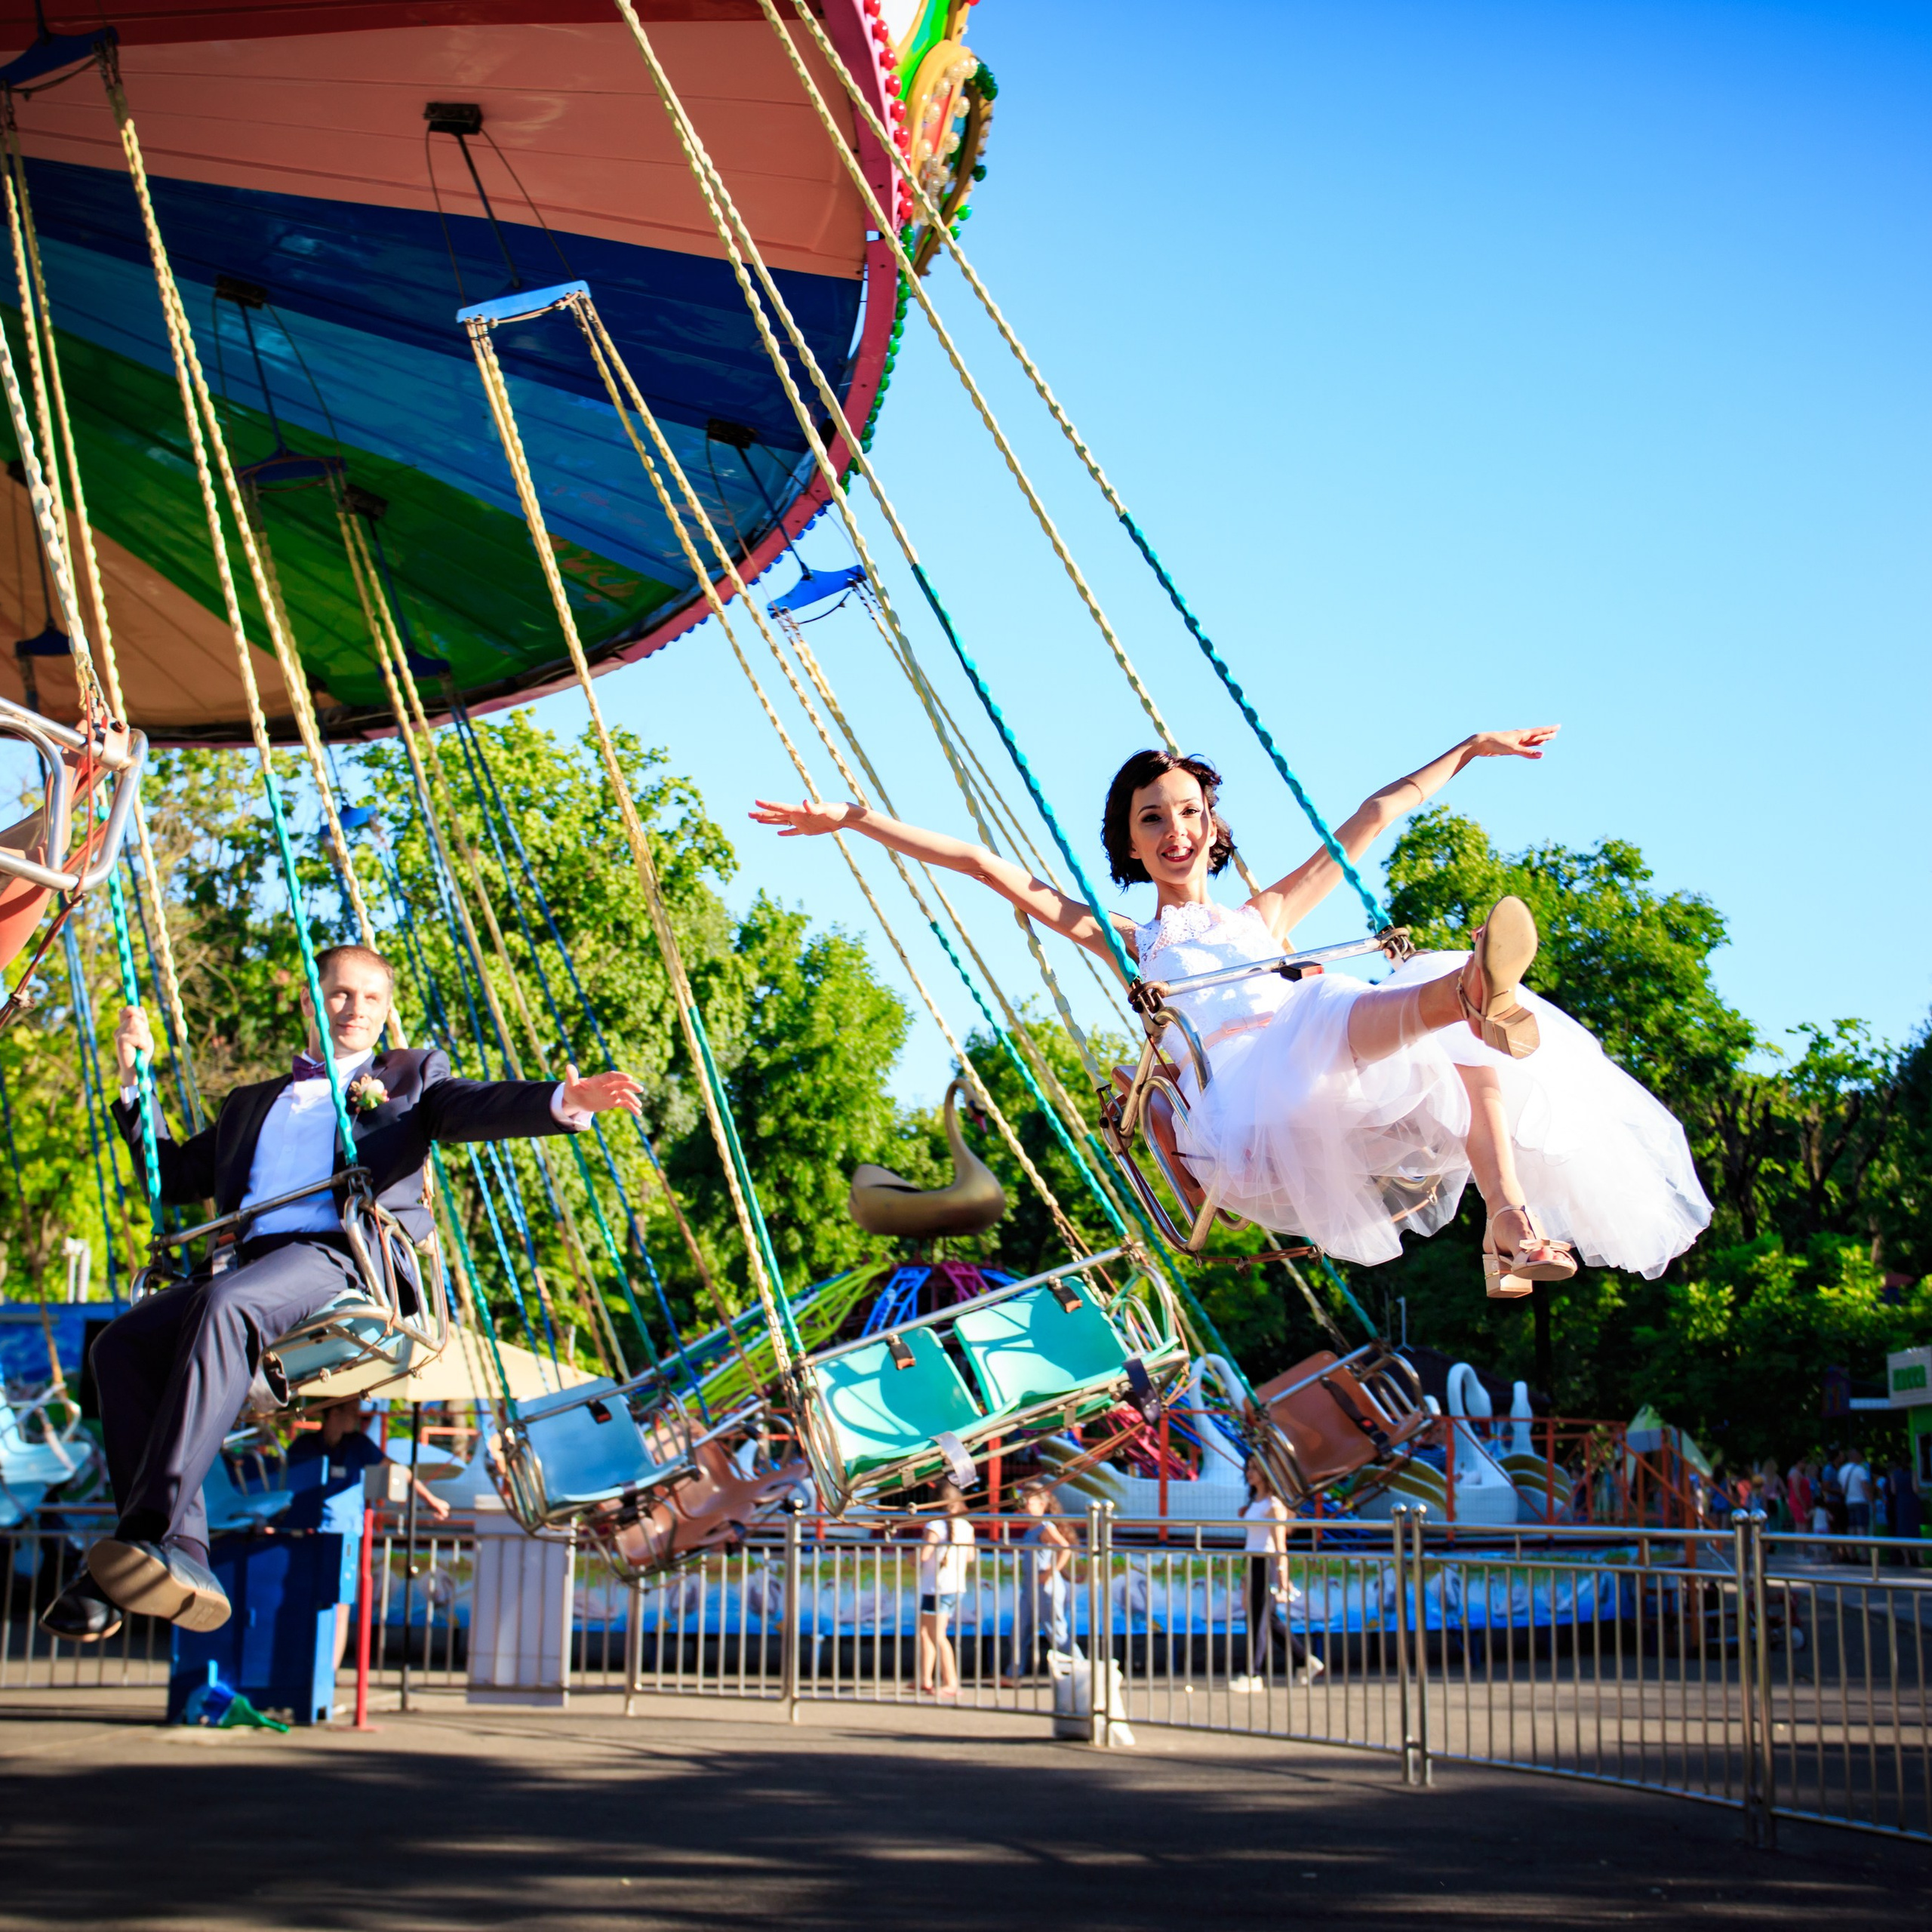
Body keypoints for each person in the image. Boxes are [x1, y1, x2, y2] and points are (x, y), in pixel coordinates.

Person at [752, 729, 1711, 1294]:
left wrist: (1468, 749)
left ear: (1212, 826)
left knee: (1465, 1046)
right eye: (1151, 819)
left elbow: (1372, 816)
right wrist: (855, 818)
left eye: (1186, 812)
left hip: (1313, 1055)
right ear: (1130, 844)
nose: (1174, 831)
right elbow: (983, 867)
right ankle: (1466, 993)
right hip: (1242, 1103)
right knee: (1362, 1010)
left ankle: (1510, 1220)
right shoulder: (1134, 939)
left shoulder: (1267, 914)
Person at [38, 942, 642, 1643]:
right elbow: (171, 1179)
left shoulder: (411, 1076)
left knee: (224, 1306)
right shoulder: (248, 1104)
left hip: (340, 1255)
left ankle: (150, 1537)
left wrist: (565, 1099)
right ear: (308, 1002)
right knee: (121, 1347)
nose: (355, 1009)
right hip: (246, 1265)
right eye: (339, 995)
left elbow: (469, 1108)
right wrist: (133, 1079)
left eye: (371, 998)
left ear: (387, 1013)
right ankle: (175, 1549)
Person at [286, 1397, 451, 1666]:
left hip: (343, 1537)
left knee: (338, 1605)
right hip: (306, 1534)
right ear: (334, 1412)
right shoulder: (305, 1445)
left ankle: (329, 1673)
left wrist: (429, 1499)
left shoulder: (358, 1445)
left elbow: (399, 1471)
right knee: (303, 1600)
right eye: (351, 1411)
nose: (357, 1416)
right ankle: (301, 1669)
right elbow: (284, 1481)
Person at [1230, 1460, 1321, 1692]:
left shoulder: (1274, 1504)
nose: (1249, 1473)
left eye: (1255, 1468)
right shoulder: (1255, 1502)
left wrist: (1282, 1574)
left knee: (1259, 1618)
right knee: (1266, 1618)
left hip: (1266, 1561)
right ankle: (1303, 1660)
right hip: (1253, 1560)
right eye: (1248, 1468)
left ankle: (1253, 1673)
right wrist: (1244, 1577)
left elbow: (1280, 1543)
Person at [1000, 1480, 1077, 1684]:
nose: (1024, 1506)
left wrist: (1051, 1572)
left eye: (1028, 1502)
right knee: (1019, 1630)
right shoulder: (1031, 1529)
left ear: (1042, 1505)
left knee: (1056, 1632)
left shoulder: (1045, 1527)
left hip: (1045, 1587)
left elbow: (1065, 1548)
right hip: (1031, 1587)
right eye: (1023, 1502)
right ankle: (1013, 1674)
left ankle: (1080, 1669)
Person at [916, 1478, 977, 1700]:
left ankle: (951, 1681)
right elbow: (970, 1556)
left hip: (937, 1586)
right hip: (953, 1586)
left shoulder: (935, 1526)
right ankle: (925, 1679)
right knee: (926, 1632)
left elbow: (923, 1555)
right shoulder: (967, 1526)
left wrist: (911, 1558)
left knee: (936, 1635)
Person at [1841, 1453, 1872, 1537]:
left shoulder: (1842, 1470)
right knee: (1861, 1528)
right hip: (1861, 1502)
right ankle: (1863, 1548)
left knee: (1851, 1527)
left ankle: (1851, 1548)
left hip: (1849, 1502)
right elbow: (1865, 1487)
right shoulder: (1860, 1470)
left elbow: (1843, 1490)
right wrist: (1871, 1502)